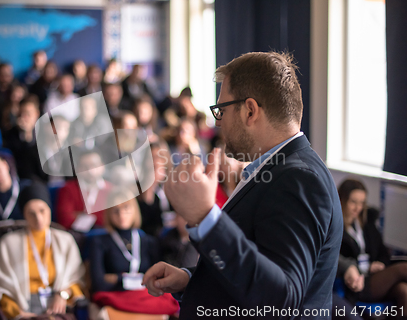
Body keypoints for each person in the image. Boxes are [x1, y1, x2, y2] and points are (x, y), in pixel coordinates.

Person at [143, 52, 343, 319]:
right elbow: (258, 269)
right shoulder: (277, 168)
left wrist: (205, 216)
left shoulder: (299, 178)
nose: (217, 122)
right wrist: (192, 279)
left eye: (221, 110)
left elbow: (281, 299)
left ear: (250, 111)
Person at [0, 182, 85, 319]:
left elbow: (78, 278)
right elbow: (1, 287)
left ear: (50, 210)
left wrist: (63, 294)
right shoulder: (8, 243)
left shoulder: (65, 240)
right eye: (31, 213)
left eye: (42, 211)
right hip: (24, 307)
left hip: (58, 306)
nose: (38, 218)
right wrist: (17, 313)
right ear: (24, 215)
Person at [89, 188, 178, 315]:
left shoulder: (149, 241)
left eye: (126, 208)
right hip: (116, 300)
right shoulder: (99, 242)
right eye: (116, 210)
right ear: (109, 213)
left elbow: (158, 281)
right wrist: (142, 279)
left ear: (134, 210)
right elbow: (99, 284)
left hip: (146, 297)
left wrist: (118, 278)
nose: (121, 214)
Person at [338, 179, 407, 308]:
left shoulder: (367, 223)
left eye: (362, 203)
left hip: (377, 277)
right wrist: (365, 268)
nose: (358, 208)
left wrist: (380, 264)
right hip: (358, 282)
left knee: (404, 291)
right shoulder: (336, 229)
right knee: (403, 268)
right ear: (342, 200)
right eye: (353, 202)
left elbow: (383, 252)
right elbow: (338, 261)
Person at [56, 150, 113, 231]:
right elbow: (65, 220)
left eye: (94, 166)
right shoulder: (67, 189)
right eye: (85, 167)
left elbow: (113, 220)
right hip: (77, 237)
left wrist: (80, 216)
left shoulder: (111, 190)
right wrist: (99, 217)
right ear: (78, 169)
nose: (90, 171)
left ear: (102, 167)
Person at [4, 95, 48, 183]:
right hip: (21, 179)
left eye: (28, 114)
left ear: (36, 114)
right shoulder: (10, 135)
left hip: (43, 178)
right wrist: (26, 136)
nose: (24, 118)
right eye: (21, 114)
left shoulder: (46, 133)